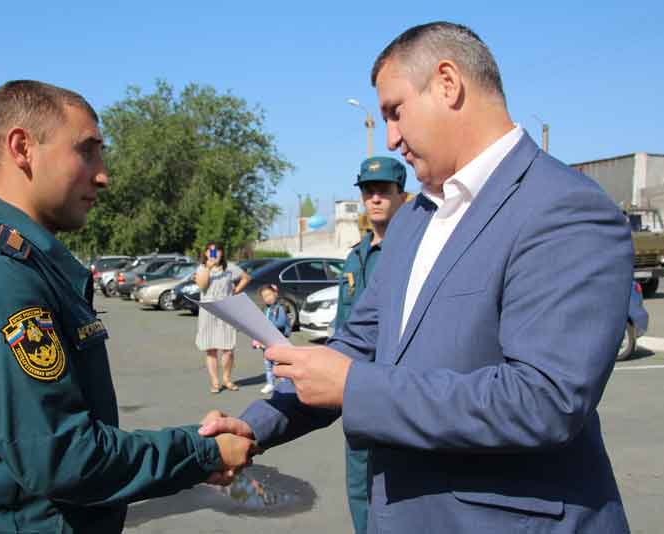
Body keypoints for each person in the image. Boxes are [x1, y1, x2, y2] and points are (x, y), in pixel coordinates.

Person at [200, 21, 633, 533]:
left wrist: (356, 389)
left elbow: (543, 400)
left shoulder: (565, 210)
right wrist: (257, 424)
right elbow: (358, 345)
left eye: (395, 111)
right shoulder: (415, 219)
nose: (392, 137)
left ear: (447, 83)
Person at [0, 80, 256, 533]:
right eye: (87, 150)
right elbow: (59, 456)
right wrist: (203, 451)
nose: (103, 173)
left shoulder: (23, 264)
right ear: (22, 148)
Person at [335, 157, 407, 534]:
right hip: (353, 392)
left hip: (395, 393)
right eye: (368, 190)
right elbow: (342, 327)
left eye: (384, 190)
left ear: (401, 194)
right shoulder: (354, 256)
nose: (375, 198)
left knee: (398, 492)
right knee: (358, 486)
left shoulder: (413, 253)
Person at [195, 242, 250, 393]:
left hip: (226, 310)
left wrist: (235, 291)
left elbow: (246, 278)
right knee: (210, 348)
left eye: (217, 251)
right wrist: (209, 268)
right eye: (211, 251)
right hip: (208, 310)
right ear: (206, 253)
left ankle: (226, 378)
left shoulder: (230, 267)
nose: (215, 254)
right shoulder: (202, 268)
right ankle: (215, 381)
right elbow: (202, 286)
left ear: (222, 253)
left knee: (228, 349)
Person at [252, 284, 291, 395]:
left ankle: (285, 383)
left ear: (275, 293)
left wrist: (267, 325)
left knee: (279, 364)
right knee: (268, 364)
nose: (268, 298)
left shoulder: (280, 308)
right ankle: (270, 384)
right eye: (265, 297)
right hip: (266, 342)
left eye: (269, 294)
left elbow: (281, 323)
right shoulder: (266, 309)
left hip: (277, 341)